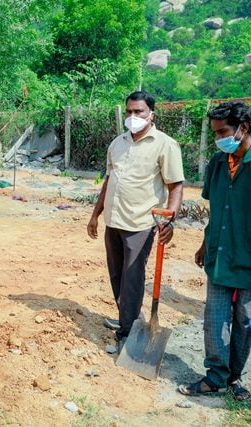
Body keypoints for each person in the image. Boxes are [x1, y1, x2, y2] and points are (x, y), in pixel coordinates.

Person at [87, 91, 184, 352]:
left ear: (151, 113)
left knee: (132, 276)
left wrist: (169, 219)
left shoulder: (165, 144)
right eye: (129, 111)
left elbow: (175, 186)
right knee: (117, 274)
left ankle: (128, 332)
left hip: (140, 223)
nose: (133, 116)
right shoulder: (117, 143)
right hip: (114, 219)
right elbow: (109, 181)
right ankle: (126, 317)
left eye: (138, 111)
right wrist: (96, 214)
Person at [178, 102, 251, 401]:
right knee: (215, 317)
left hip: (247, 258)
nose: (219, 139)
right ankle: (215, 377)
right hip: (219, 254)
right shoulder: (218, 163)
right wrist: (205, 243)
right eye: (215, 133)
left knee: (245, 321)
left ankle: (234, 377)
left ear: (243, 128)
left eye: (223, 132)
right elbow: (217, 210)